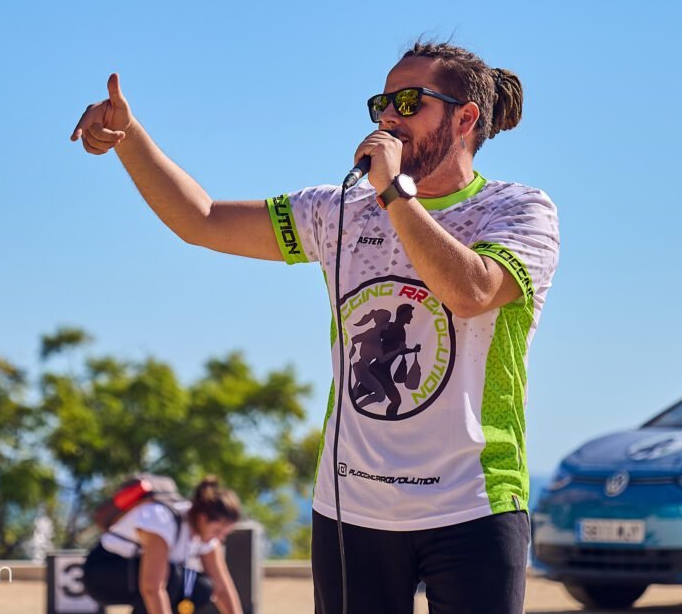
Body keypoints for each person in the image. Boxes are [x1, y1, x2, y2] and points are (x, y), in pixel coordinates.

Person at [72, 39, 560, 614]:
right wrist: (130, 140)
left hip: (475, 505)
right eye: (381, 103)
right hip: (352, 509)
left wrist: (394, 195)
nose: (387, 117)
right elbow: (200, 220)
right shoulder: (338, 210)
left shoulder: (517, 209)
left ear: (466, 118)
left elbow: (473, 291)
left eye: (408, 102)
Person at [82, 476, 243, 614]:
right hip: (102, 573)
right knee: (171, 576)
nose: (220, 538)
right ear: (202, 518)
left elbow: (221, 587)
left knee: (202, 587)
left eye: (224, 533)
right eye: (217, 531)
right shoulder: (162, 520)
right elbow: (152, 587)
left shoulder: (204, 536)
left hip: (136, 576)